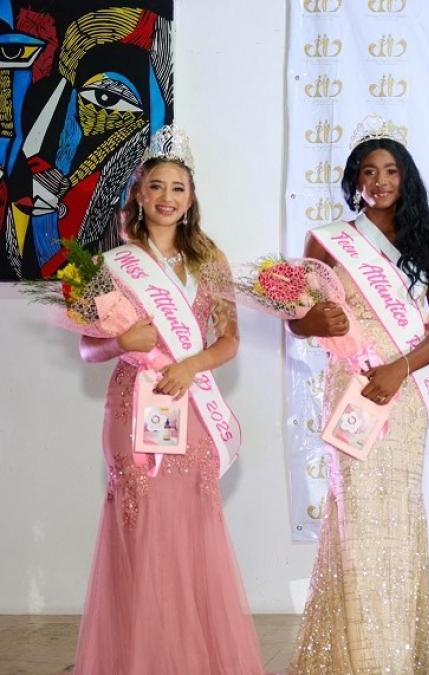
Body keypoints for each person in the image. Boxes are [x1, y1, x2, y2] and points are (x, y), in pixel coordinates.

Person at [74, 125, 263, 674]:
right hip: (133, 406)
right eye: (156, 186)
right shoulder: (113, 264)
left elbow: (229, 340)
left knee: (190, 524)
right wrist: (120, 342)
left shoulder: (211, 260)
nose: (166, 197)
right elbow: (88, 349)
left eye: (177, 188)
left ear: (191, 197)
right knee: (140, 523)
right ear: (139, 193)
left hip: (191, 403)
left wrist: (188, 366)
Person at [288, 116, 429, 674]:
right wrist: (314, 322)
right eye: (368, 172)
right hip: (351, 388)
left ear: (406, 179)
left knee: (398, 516)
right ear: (354, 181)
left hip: (403, 390)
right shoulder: (328, 240)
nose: (380, 181)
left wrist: (397, 371)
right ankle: (358, 658)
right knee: (355, 517)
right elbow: (298, 321)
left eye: (390, 171)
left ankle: (399, 656)